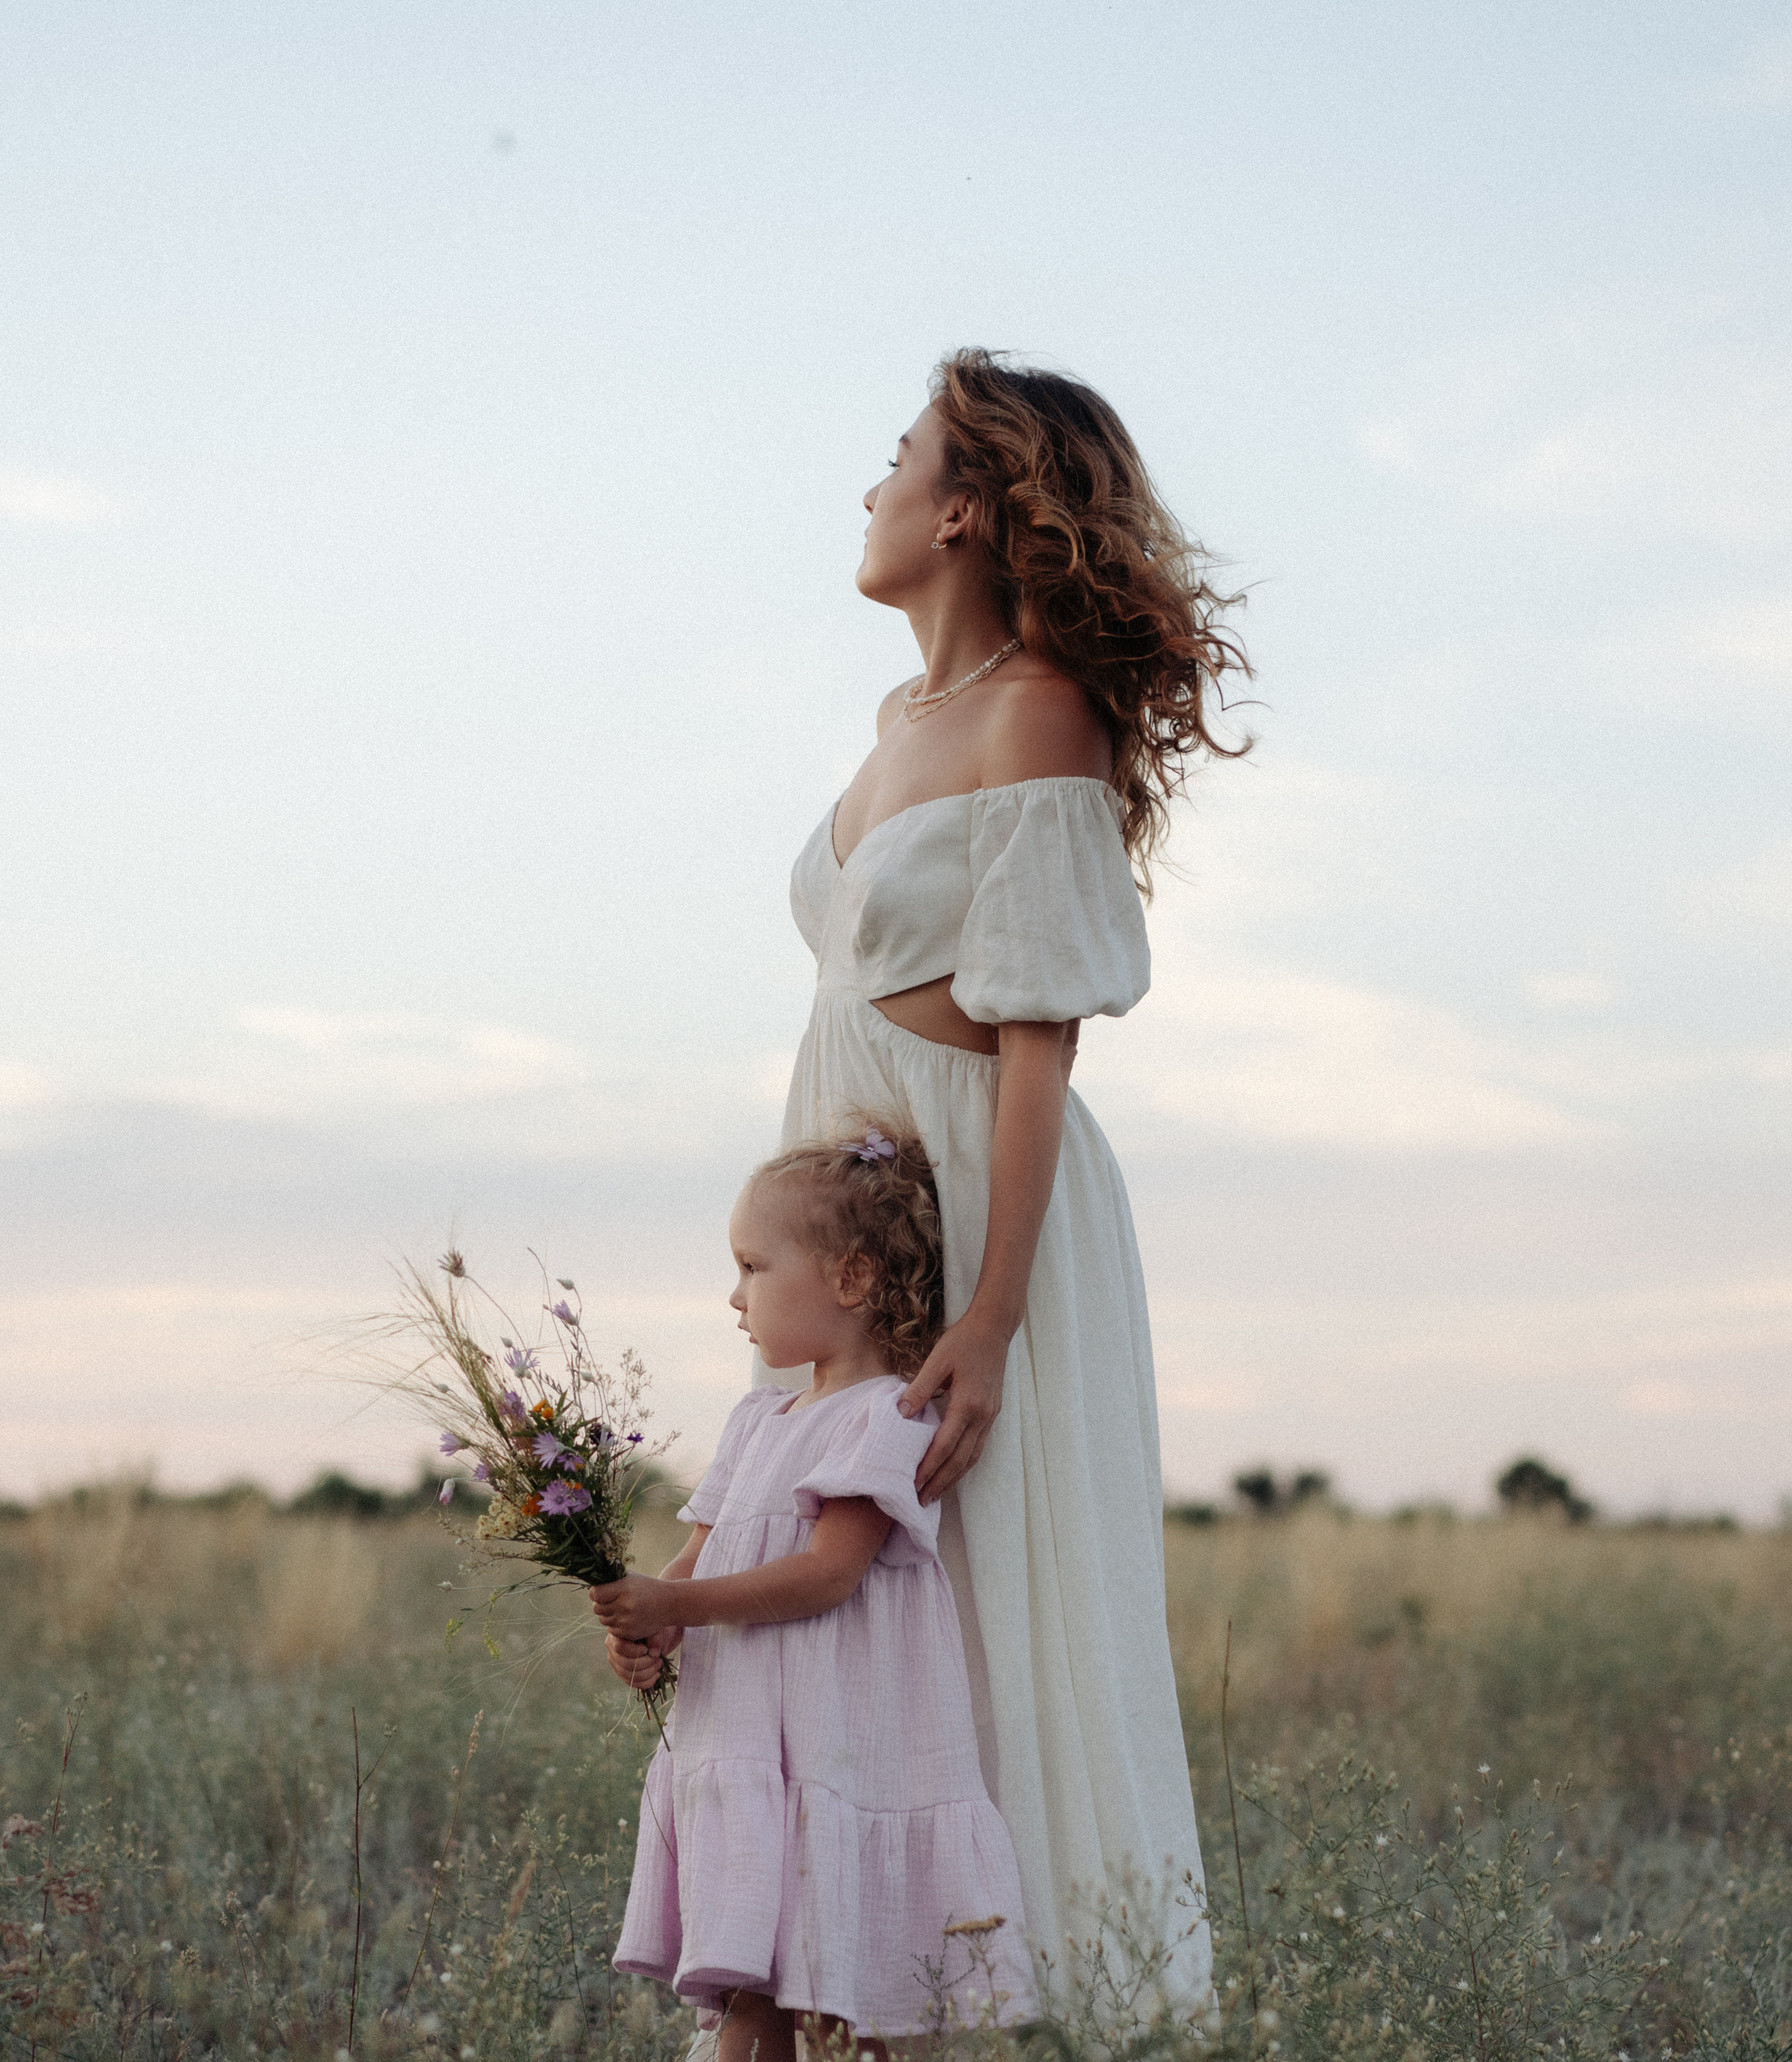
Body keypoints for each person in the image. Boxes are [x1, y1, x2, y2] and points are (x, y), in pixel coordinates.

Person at [772, 349, 1250, 2000]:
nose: (869, 486)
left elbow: (1036, 1038)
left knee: (984, 1616)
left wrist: (988, 1314)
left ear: (964, 505)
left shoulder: (1034, 709)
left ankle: (1008, 1999)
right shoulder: (894, 720)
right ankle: (849, 1992)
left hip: (987, 1208)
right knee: (847, 1599)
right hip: (859, 1232)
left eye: (894, 456)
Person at [593, 1122, 1037, 2058]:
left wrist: (678, 1606)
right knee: (746, 1988)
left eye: (753, 1267)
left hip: (835, 1755)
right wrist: (650, 1622)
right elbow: (698, 1559)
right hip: (742, 1745)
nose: (734, 1294)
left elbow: (829, 1572)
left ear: (850, 1279)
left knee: (836, 1997)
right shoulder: (757, 1418)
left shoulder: (887, 1416)